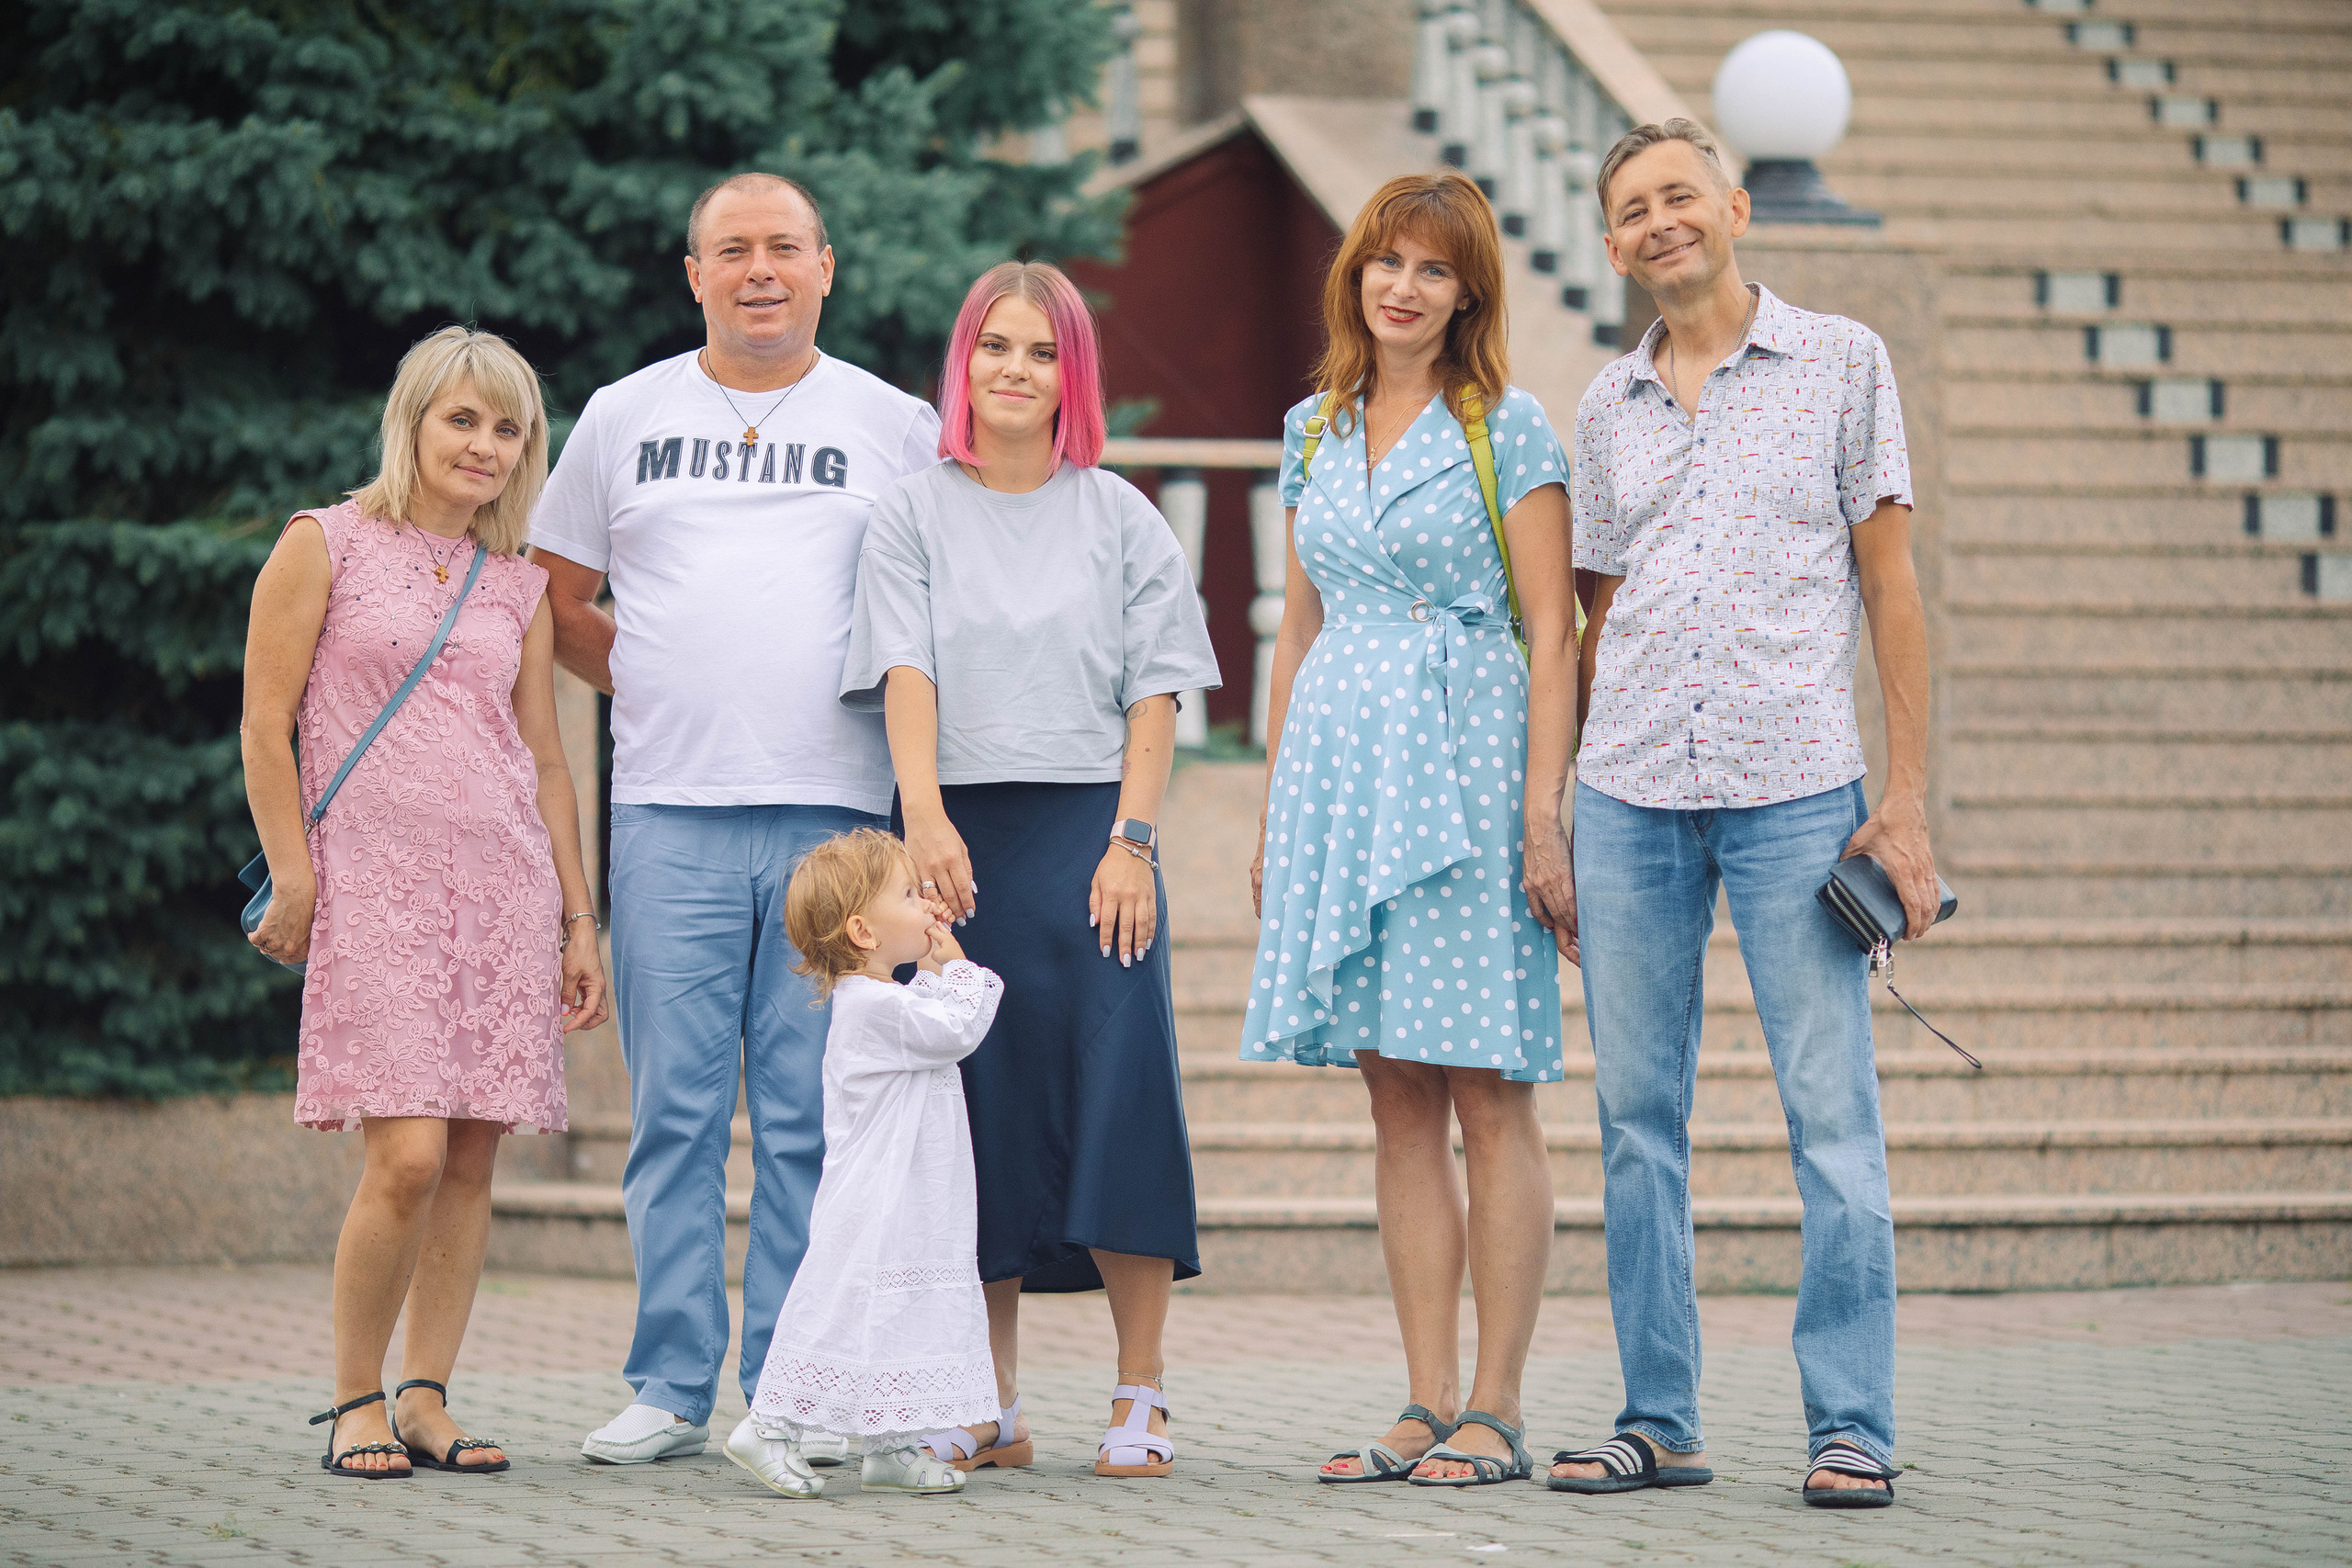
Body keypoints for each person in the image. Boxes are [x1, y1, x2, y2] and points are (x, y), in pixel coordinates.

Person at [528, 174, 944, 1466]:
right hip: (669, 808)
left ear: (827, 266)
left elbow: (936, 598)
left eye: (783, 247)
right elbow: (553, 593)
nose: (758, 268)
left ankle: (789, 1384)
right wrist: (647, 670)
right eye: (731, 250)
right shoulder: (622, 414)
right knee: (676, 1113)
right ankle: (669, 1380)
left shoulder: (895, 420)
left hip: (837, 819)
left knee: (813, 1112)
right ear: (692, 271)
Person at [1544, 119, 1929, 1509]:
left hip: (1796, 791)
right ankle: (1660, 1414)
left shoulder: (1843, 361)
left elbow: (1891, 587)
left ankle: (1853, 1422)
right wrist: (1558, 812)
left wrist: (1909, 800)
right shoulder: (1605, 406)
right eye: (1633, 208)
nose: (1660, 222)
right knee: (1637, 1118)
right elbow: (1589, 620)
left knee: (1831, 1115)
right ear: (1612, 241)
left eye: (1679, 197)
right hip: (1631, 793)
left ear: (1737, 207)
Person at [842, 260, 1220, 1478]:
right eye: (993, 346)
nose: (1014, 368)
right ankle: (989, 1399)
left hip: (1096, 840)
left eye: (1040, 350)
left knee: (1122, 1093)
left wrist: (1134, 842)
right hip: (962, 840)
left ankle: (1142, 1390)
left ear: (1074, 374)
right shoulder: (912, 511)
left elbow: (1157, 688)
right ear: (963, 363)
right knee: (978, 1109)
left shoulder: (1120, 514)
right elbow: (908, 667)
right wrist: (924, 816)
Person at [1243, 172, 1578, 1489]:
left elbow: (1552, 630)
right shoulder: (1312, 429)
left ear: (1468, 292)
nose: (1404, 285)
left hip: (1472, 769)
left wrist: (1541, 813)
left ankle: (1497, 1403)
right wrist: (1278, 813)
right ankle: (1424, 1395)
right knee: (1394, 1100)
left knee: (1488, 1095)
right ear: (1356, 276)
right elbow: (1300, 624)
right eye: (1386, 260)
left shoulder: (1510, 428)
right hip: (1344, 775)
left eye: (1433, 269)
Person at [243, 324, 609, 1478]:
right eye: (463, 419)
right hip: (377, 886)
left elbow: (546, 761)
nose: (486, 446)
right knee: (403, 1155)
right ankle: (353, 1398)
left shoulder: (519, 584)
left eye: (508, 428)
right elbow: (265, 723)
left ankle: (427, 1398)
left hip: (502, 888)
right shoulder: (326, 543)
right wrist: (294, 870)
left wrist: (576, 919)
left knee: (469, 1161)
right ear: (411, 422)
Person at [727, 829, 1004, 1500]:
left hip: (906, 1197)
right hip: (874, 1200)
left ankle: (890, 1442)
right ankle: (769, 1424)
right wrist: (958, 964)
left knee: (898, 1309)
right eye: (908, 894)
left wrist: (932, 970)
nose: (925, 904)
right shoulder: (872, 1005)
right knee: (843, 1306)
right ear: (863, 930)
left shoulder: (888, 1001)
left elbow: (928, 1019)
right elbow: (955, 1029)